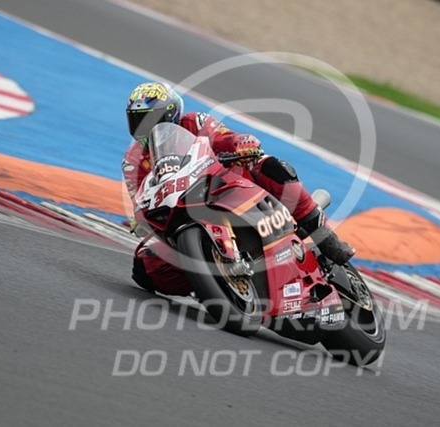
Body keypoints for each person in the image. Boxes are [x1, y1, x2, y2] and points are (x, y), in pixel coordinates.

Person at [122, 81, 354, 295]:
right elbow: (140, 196)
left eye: (151, 119)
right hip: (181, 213)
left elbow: (224, 137)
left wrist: (240, 144)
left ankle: (325, 237)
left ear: (171, 114)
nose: (145, 127)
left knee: (270, 166)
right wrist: (139, 218)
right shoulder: (133, 161)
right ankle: (212, 282)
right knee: (144, 267)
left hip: (223, 188)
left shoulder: (194, 123)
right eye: (138, 121)